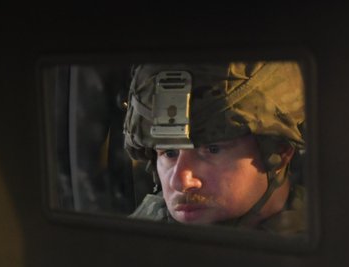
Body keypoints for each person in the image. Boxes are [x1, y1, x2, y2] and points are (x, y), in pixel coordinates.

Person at [122, 62, 306, 234]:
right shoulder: (135, 236)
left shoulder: (321, 244)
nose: (180, 183)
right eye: (170, 153)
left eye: (212, 150)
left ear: (281, 153)